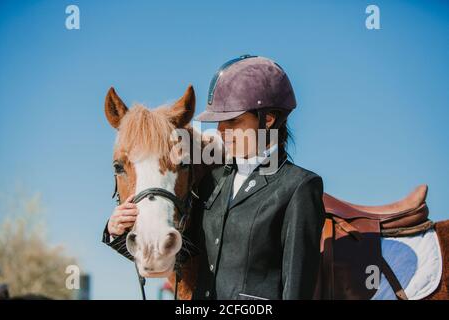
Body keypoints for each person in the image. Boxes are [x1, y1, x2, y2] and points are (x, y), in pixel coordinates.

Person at [103, 55, 325, 300]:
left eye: (233, 120)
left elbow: (297, 287)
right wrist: (117, 230)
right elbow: (176, 249)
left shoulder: (298, 187)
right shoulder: (211, 180)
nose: (220, 131)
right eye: (220, 121)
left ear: (268, 120)